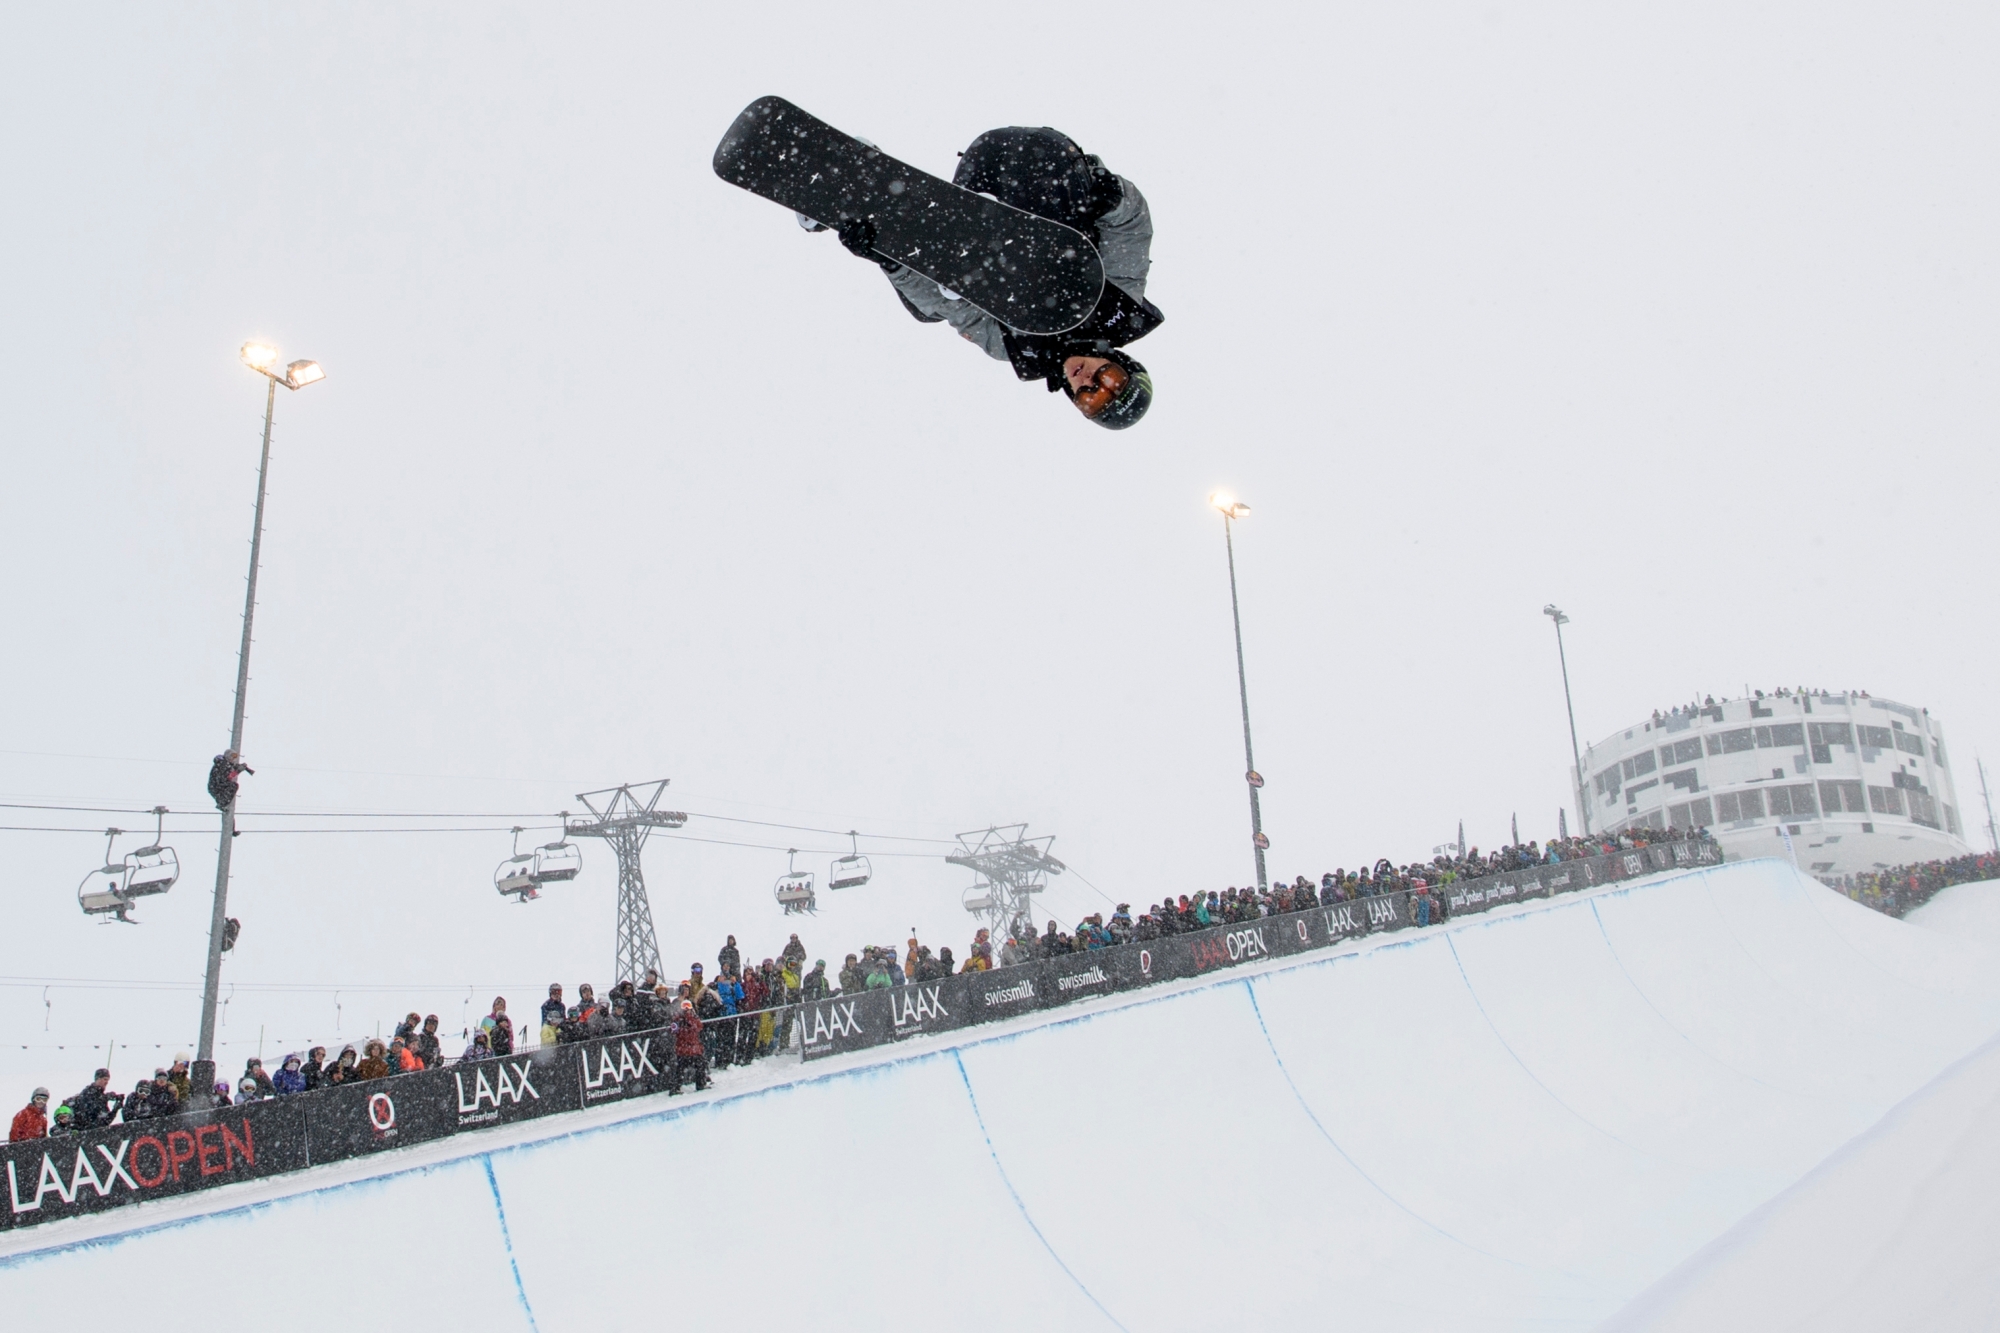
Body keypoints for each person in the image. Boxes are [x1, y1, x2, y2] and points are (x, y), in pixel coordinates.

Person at [827, 126, 1159, 429]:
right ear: (1120, 361)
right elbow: (1131, 228)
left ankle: (868, 195)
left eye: (1090, 398)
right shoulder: (1119, 308)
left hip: (980, 177)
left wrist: (888, 259)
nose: (1089, 381)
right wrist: (1111, 194)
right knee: (1068, 252)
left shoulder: (1018, 350)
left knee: (927, 309)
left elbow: (951, 308)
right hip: (1043, 171)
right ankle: (995, 240)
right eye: (1109, 379)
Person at [665, 1000, 710, 1095]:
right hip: (687, 1049)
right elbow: (676, 1031)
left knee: (684, 1069)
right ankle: (698, 1085)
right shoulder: (681, 1020)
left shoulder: (685, 1019)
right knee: (684, 1069)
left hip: (689, 1049)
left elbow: (698, 1027)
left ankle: (677, 1087)